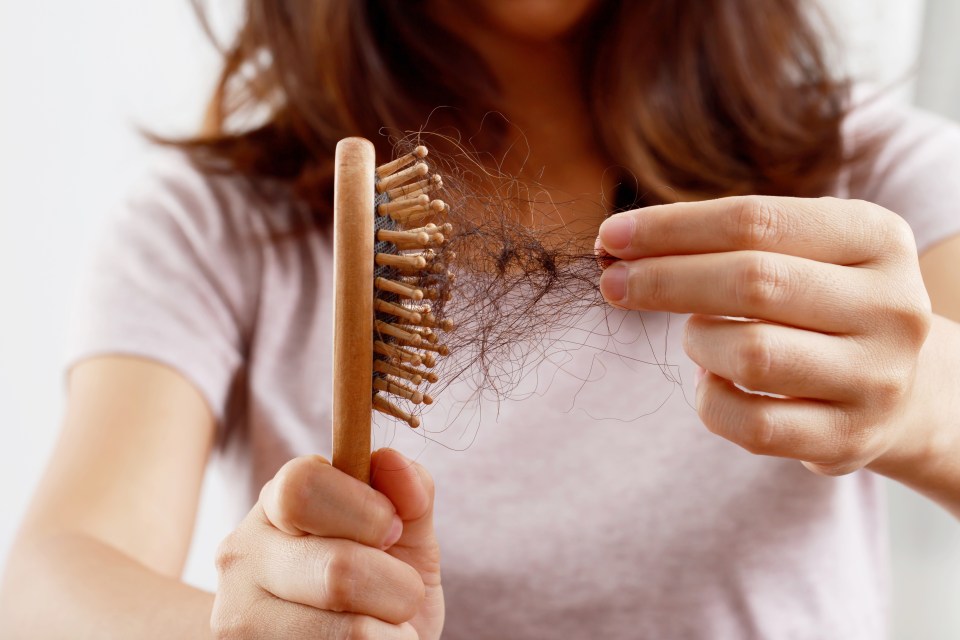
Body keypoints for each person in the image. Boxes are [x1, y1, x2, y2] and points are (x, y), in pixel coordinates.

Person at [2, 1, 960, 638]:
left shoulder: (874, 177)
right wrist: (240, 626)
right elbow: (52, 581)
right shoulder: (212, 225)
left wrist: (920, 400)